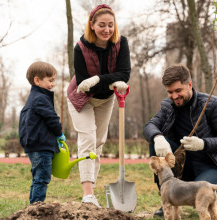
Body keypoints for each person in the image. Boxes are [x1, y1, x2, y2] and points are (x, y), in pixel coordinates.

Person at [143, 64, 217, 217]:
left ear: (190, 85)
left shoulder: (213, 104)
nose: (174, 96)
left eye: (178, 91)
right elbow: (150, 126)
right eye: (170, 92)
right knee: (155, 142)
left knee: (204, 191)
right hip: (182, 166)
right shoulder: (168, 106)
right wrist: (157, 137)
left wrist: (203, 144)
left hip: (210, 165)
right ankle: (167, 199)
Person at [66, 4, 130, 207]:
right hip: (81, 98)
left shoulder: (121, 43)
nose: (107, 29)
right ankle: (88, 194)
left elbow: (124, 74)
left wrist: (99, 79)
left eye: (111, 25)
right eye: (102, 25)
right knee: (88, 138)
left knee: (98, 143)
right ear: (92, 25)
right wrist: (108, 80)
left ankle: (91, 188)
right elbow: (84, 82)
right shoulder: (80, 47)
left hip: (105, 99)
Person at [19, 61, 66, 204]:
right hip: (41, 145)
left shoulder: (33, 98)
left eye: (54, 81)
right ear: (37, 80)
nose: (52, 84)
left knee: (38, 178)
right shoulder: (41, 98)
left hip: (34, 144)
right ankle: (36, 209)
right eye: (50, 80)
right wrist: (59, 133)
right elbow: (52, 118)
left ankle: (33, 207)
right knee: (42, 178)